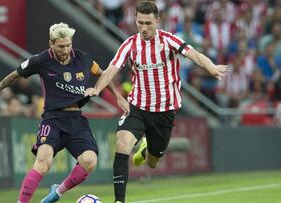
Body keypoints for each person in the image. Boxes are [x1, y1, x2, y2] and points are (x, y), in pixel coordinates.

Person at [84, 2, 228, 203]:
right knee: (122, 144)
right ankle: (119, 200)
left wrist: (211, 67)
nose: (143, 28)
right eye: (139, 23)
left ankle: (146, 149)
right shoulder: (129, 44)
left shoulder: (169, 41)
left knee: (153, 162)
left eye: (148, 23)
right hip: (137, 106)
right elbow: (111, 69)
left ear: (157, 21)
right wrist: (97, 89)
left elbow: (194, 54)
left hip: (164, 111)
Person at [0, 22, 128, 203]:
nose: (65, 50)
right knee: (43, 162)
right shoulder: (41, 60)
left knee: (90, 161)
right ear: (51, 43)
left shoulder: (84, 59)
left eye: (68, 45)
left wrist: (116, 96)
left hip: (76, 119)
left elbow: (104, 74)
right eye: (61, 46)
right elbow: (14, 75)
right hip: (53, 118)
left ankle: (57, 193)